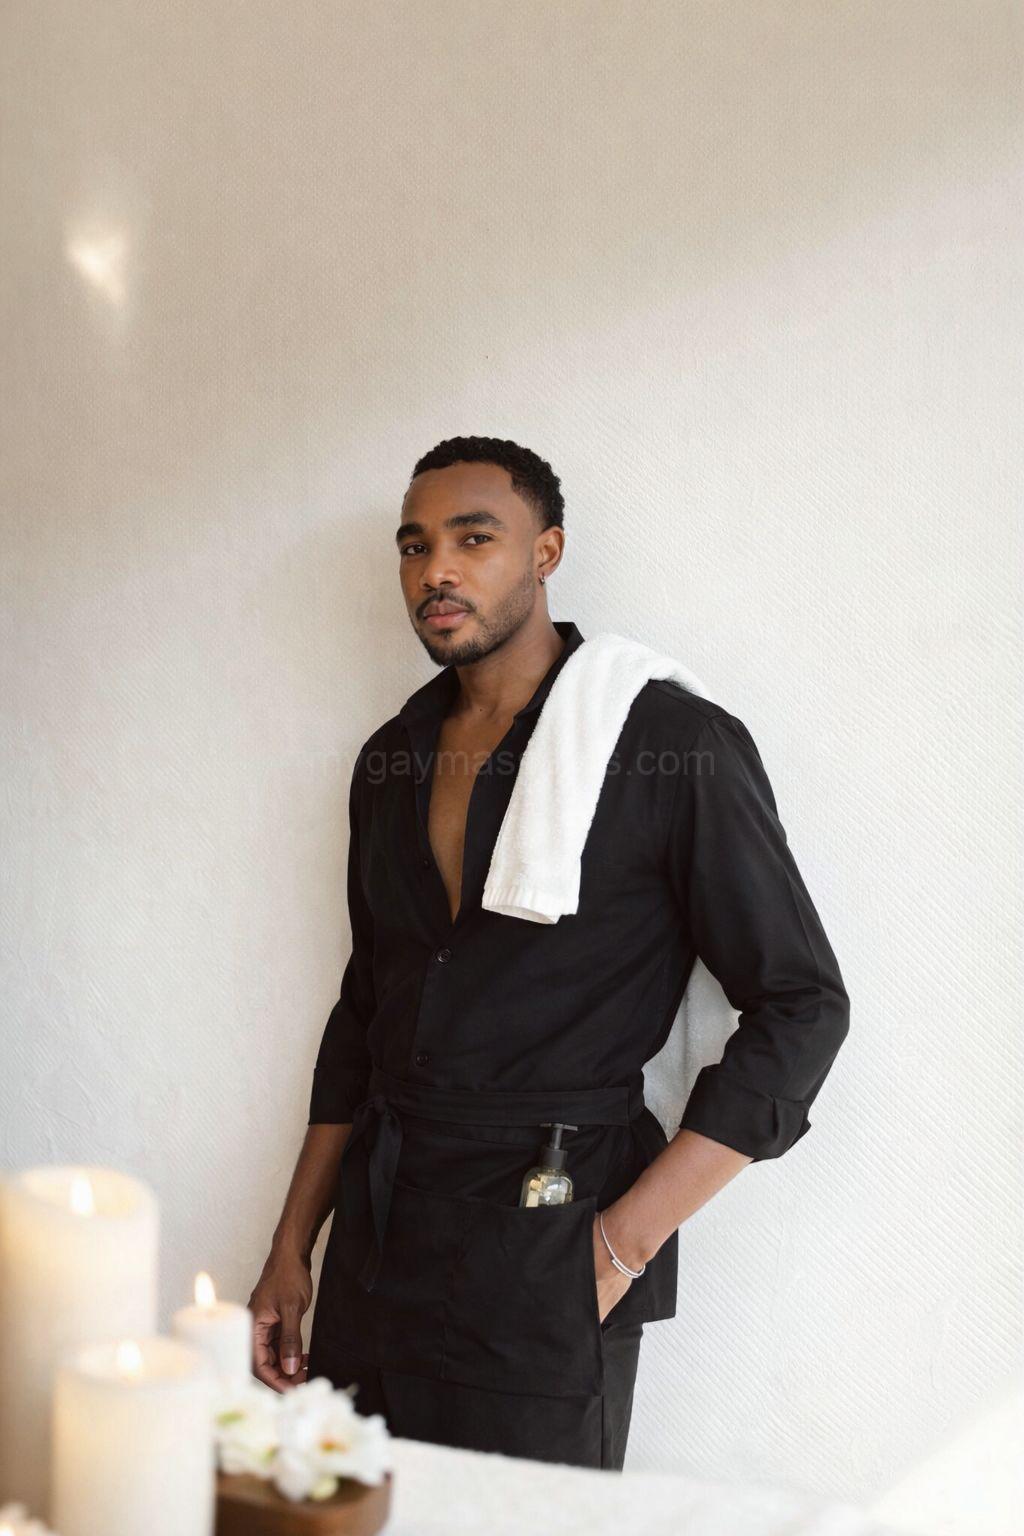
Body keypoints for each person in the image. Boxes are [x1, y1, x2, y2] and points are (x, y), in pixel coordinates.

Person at [247, 436, 850, 1470]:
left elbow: (802, 1006)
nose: (436, 570)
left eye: (473, 538)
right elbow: (364, 1013)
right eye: (414, 546)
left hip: (550, 1231)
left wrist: (619, 1249)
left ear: (546, 551)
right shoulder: (391, 759)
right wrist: (292, 1245)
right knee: (349, 1512)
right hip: (378, 1244)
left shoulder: (667, 745)